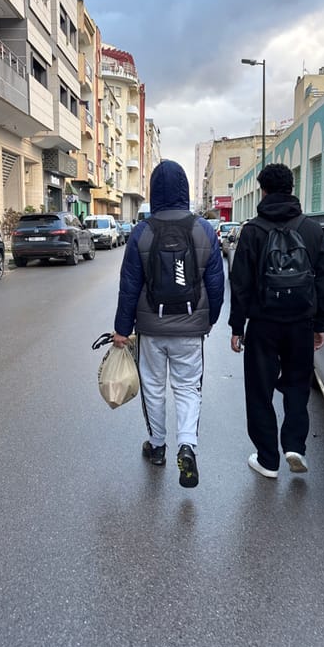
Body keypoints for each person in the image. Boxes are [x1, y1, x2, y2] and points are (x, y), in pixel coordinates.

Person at [113, 160, 224, 488]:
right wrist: (209, 319)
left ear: (153, 191)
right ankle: (187, 445)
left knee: (153, 387)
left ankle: (158, 447)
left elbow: (129, 285)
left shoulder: (141, 232)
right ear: (185, 189)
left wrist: (122, 328)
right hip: (190, 329)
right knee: (189, 388)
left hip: (152, 328)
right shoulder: (203, 229)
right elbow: (216, 283)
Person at [229, 163, 324, 479]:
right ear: (291, 188)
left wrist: (237, 327)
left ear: (262, 190)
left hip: (263, 324)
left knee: (259, 391)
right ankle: (294, 447)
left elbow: (240, 282)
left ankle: (268, 459)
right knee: (297, 386)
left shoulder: (253, 230)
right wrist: (320, 324)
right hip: (301, 323)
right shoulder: (312, 230)